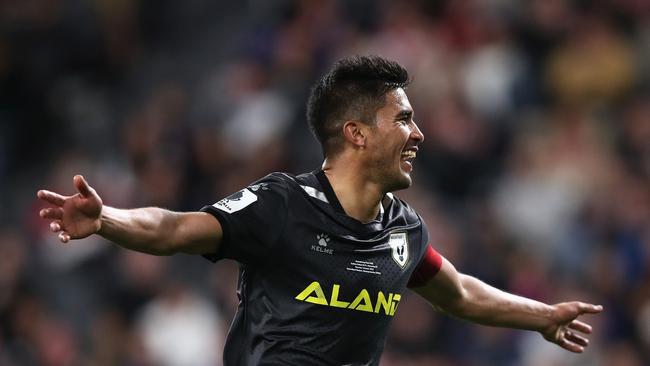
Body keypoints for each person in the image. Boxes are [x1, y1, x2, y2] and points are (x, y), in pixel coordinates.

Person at [37, 56, 602, 365]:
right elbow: (178, 228)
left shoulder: (403, 230)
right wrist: (107, 219)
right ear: (355, 133)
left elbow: (458, 293)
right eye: (402, 119)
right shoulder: (282, 203)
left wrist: (541, 315)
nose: (419, 133)